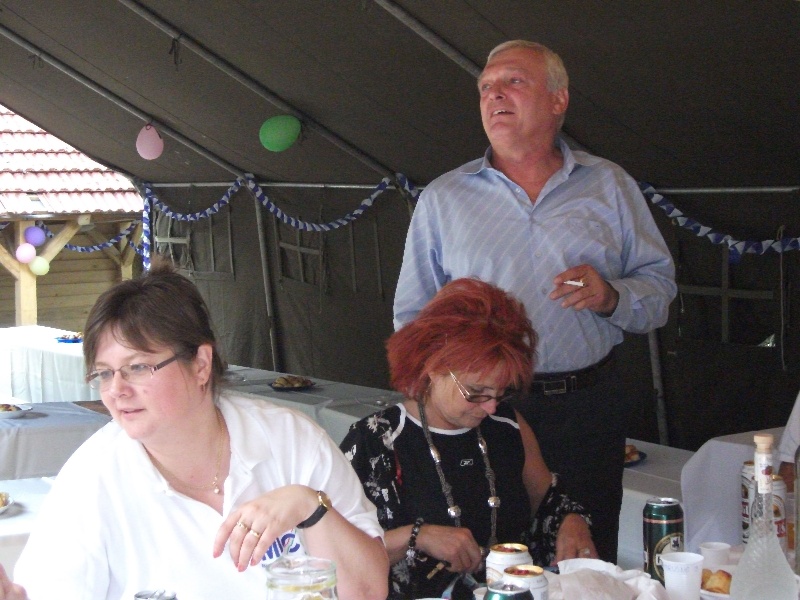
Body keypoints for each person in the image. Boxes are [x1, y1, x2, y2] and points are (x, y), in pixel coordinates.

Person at [393, 40, 677, 562]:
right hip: (483, 412)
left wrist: (612, 296)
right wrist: (440, 406)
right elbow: (412, 320)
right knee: (495, 558)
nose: (494, 94)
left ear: (558, 99)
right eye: (486, 87)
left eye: (514, 82)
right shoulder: (443, 198)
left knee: (586, 560)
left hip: (585, 410)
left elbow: (659, 291)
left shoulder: (608, 185)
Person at [0, 259, 388, 600]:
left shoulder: (291, 440)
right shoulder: (92, 479)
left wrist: (310, 507)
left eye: (138, 367)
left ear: (201, 364)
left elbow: (369, 591)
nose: (116, 390)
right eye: (104, 373)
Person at [341, 278, 596, 599]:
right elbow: (337, 553)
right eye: (476, 392)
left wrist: (571, 521)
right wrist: (416, 536)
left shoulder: (507, 425)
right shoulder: (376, 440)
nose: (490, 407)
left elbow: (547, 501)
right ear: (433, 366)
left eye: (501, 393)